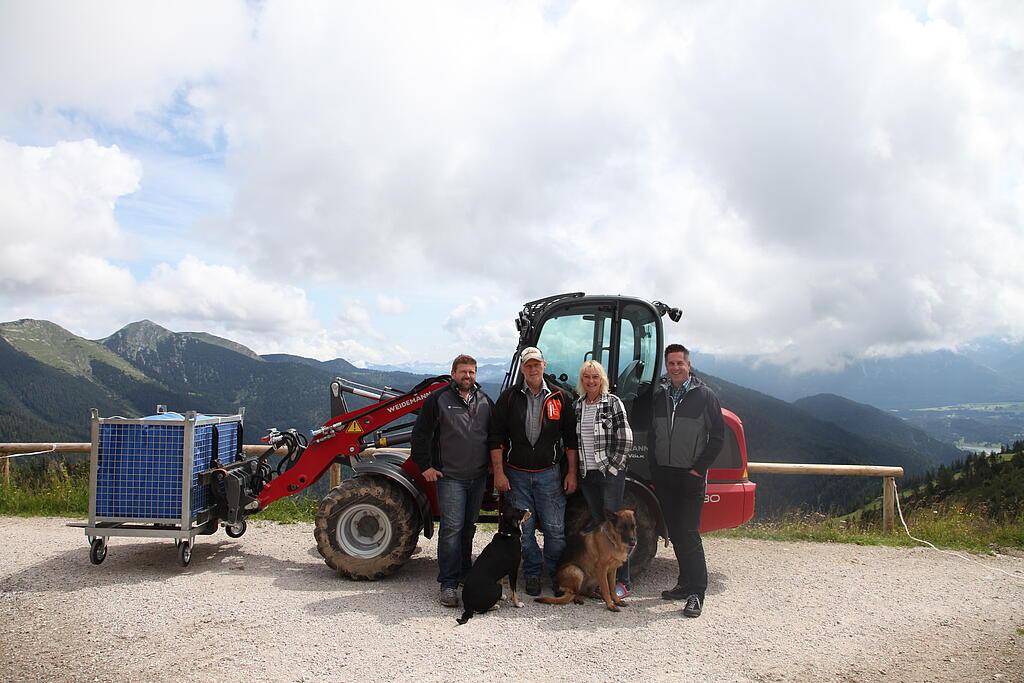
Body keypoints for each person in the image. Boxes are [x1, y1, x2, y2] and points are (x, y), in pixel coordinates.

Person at [488, 346, 578, 597]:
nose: (533, 368)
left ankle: (556, 574)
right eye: (528, 365)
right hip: (516, 475)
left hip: (549, 474)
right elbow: (496, 438)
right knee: (524, 531)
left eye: (536, 364)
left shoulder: (560, 398)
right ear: (523, 368)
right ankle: (533, 574)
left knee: (555, 529)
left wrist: (571, 473)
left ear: (544, 365)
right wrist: (499, 473)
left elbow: (571, 440)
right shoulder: (508, 398)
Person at [647, 343, 724, 618]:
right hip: (665, 475)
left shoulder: (705, 397)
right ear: (666, 366)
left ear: (688, 365)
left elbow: (717, 438)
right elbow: (654, 436)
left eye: (680, 363)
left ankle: (696, 593)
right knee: (676, 532)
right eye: (671, 364)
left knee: (689, 533)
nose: (676, 368)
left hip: (690, 476)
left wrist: (697, 470)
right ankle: (683, 583)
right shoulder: (660, 397)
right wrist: (655, 470)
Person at [411, 354, 494, 608]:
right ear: (453, 373)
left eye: (471, 372)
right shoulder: (438, 400)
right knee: (451, 530)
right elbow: (420, 434)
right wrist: (425, 466)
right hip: (451, 478)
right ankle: (447, 583)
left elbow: (493, 436)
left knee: (468, 528)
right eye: (463, 372)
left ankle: (464, 575)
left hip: (477, 477)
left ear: (475, 375)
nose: (467, 376)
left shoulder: (485, 401)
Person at [573, 360, 634, 599]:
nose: (591, 381)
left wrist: (612, 467)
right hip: (588, 475)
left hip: (609, 474)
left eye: (595, 377)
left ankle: (624, 581)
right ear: (582, 381)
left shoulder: (613, 403)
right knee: (602, 528)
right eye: (587, 378)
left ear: (602, 380)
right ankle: (604, 579)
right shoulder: (578, 406)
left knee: (620, 528)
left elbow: (626, 438)